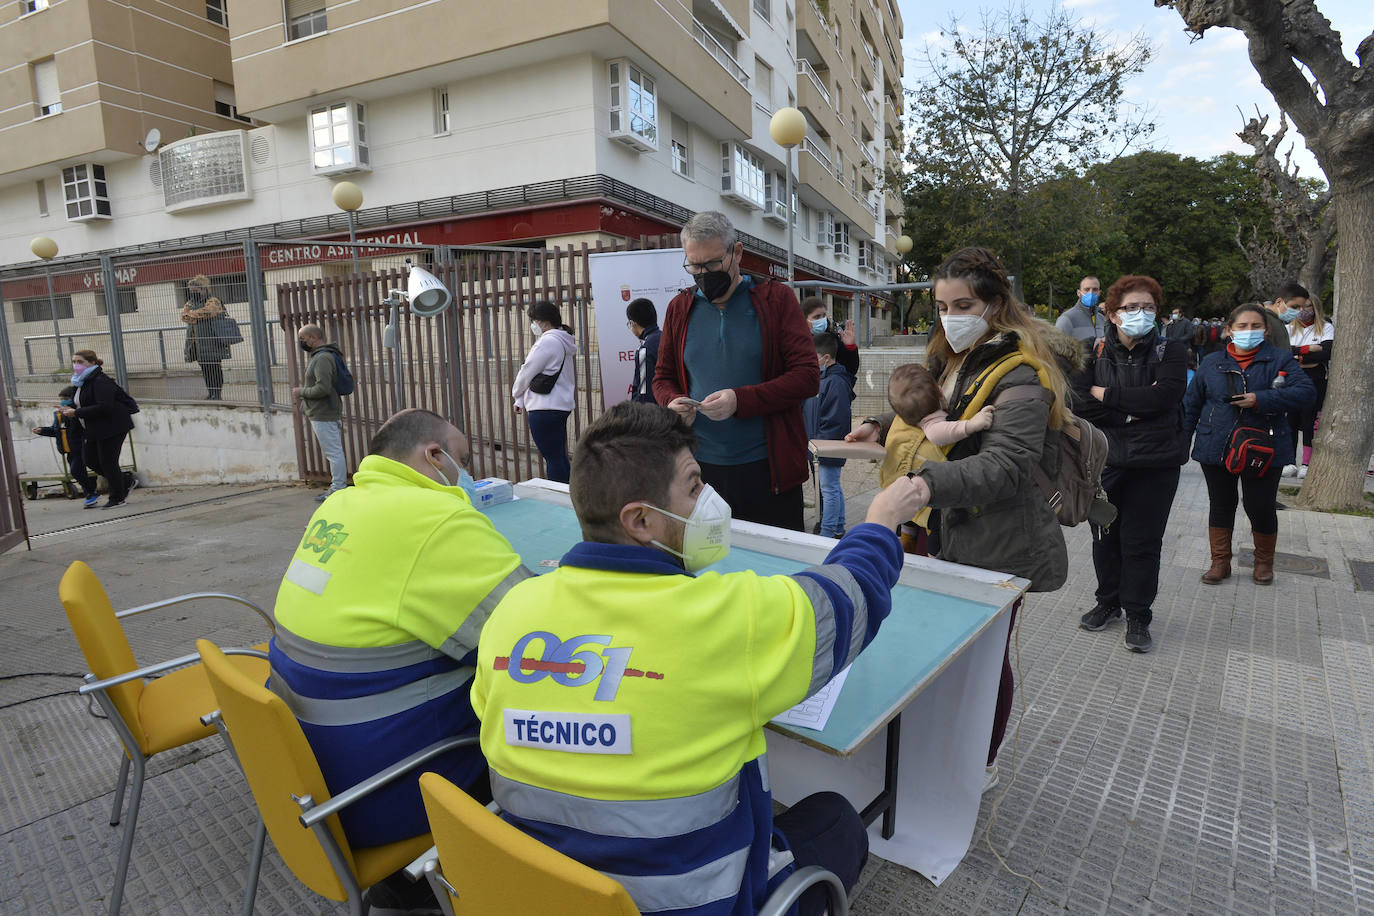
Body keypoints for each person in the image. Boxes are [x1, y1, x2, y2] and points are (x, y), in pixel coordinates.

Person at [471, 401, 928, 916]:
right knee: (836, 821)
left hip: (537, 892)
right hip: (695, 904)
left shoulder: (512, 613)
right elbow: (848, 599)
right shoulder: (728, 618)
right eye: (693, 486)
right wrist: (882, 519)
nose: (709, 500)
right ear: (640, 520)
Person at [847, 246, 1069, 789]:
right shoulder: (948, 358)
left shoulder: (1021, 375)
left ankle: (979, 763)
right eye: (942, 306)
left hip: (992, 540)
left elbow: (1009, 466)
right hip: (935, 529)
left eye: (963, 304)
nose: (951, 317)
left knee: (984, 661)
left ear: (994, 305)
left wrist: (922, 482)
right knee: (930, 645)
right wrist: (879, 425)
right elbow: (930, 412)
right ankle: (934, 745)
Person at [270, 408, 532, 857]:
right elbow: (534, 640)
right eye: (463, 461)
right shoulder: (436, 520)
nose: (466, 475)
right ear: (434, 455)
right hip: (388, 788)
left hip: (302, 772)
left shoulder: (340, 504)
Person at [653, 210, 818, 530]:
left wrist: (740, 401)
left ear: (737, 252)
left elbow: (808, 377)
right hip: (699, 471)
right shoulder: (680, 308)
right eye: (694, 266)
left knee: (774, 569)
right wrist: (671, 401)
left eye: (712, 264)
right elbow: (663, 377)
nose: (703, 274)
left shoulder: (777, 300)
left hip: (768, 471)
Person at [1072, 276, 1189, 653]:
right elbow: (1077, 402)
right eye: (1131, 307)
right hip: (1105, 462)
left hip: (1156, 464)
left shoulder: (1171, 350)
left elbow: (1167, 397)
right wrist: (1131, 410)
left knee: (1141, 543)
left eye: (1149, 307)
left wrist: (1106, 394)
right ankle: (1108, 601)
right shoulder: (1091, 349)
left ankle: (1138, 614)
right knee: (1104, 538)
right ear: (1112, 312)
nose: (1141, 314)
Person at [1184, 303, 1315, 586]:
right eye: (1242, 327)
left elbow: (1306, 393)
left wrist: (1262, 399)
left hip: (1263, 447)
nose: (1249, 332)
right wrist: (1182, 441)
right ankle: (1220, 562)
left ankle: (1264, 563)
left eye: (1255, 326)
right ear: (1229, 330)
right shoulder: (1211, 362)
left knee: (1260, 506)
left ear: (1266, 329)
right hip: (1215, 445)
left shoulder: (1280, 359)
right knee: (1221, 504)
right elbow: (1191, 405)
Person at [878, 363, 996, 552]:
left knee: (910, 512)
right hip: (930, 490)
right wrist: (971, 425)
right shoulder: (931, 419)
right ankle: (933, 556)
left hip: (907, 479)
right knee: (935, 526)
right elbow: (938, 433)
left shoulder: (911, 415)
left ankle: (907, 536)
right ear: (941, 392)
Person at [60, 350, 135, 510]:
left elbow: (104, 406)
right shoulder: (80, 382)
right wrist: (69, 408)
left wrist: (77, 412)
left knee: (108, 461)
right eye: (74, 362)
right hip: (94, 428)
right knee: (91, 459)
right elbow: (82, 402)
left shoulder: (100, 381)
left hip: (113, 426)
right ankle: (125, 481)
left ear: (92, 363)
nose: (76, 365)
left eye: (80, 362)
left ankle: (117, 497)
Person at [512, 300, 577, 484]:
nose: (533, 325)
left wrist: (516, 393)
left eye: (533, 321)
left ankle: (559, 500)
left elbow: (527, 372)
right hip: (560, 407)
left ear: (542, 321)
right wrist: (520, 400)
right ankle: (569, 496)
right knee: (559, 457)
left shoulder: (547, 342)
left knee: (553, 458)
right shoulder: (564, 340)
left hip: (543, 408)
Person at [803, 333, 856, 538]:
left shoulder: (836, 382)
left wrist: (820, 447)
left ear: (826, 358)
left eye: (813, 356)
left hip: (827, 447)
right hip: (819, 444)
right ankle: (838, 527)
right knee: (832, 487)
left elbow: (837, 420)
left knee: (829, 490)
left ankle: (827, 533)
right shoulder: (822, 379)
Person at [1278, 282, 1332, 478]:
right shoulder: (1288, 328)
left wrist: (1297, 358)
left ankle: (1306, 463)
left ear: (1315, 308)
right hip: (1291, 380)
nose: (1303, 311)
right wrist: (1308, 351)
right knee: (1290, 420)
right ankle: (1289, 461)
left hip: (1315, 380)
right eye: (1299, 307)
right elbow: (1283, 353)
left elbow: (1325, 353)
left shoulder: (1325, 328)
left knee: (1309, 421)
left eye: (1307, 306)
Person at [293, 325, 348, 502]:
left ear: (314, 337)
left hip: (324, 413)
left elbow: (322, 388)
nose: (301, 342)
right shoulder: (321, 356)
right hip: (324, 411)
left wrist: (300, 392)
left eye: (303, 338)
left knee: (334, 453)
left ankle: (338, 488)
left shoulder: (323, 358)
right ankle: (337, 487)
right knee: (334, 452)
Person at [33, 385, 99, 508]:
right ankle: (90, 494)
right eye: (61, 399)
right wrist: (42, 430)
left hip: (79, 447)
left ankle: (91, 492)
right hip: (69, 450)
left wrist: (70, 413)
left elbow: (82, 427)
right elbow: (56, 431)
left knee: (76, 470)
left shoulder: (76, 412)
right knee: (78, 472)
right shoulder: (58, 415)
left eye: (65, 398)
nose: (62, 401)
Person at [180, 274, 231, 400]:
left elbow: (210, 311)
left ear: (204, 289)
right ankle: (211, 393)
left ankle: (217, 394)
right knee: (205, 370)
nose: (193, 293)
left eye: (195, 291)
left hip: (213, 341)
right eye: (191, 291)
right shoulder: (190, 303)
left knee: (215, 368)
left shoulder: (213, 301)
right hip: (197, 343)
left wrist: (193, 315)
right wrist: (197, 315)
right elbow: (183, 316)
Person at [802, 296, 859, 376]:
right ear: (804, 319)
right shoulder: (797, 343)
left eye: (824, 315)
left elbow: (850, 371)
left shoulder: (833, 339)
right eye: (817, 317)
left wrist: (850, 347)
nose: (822, 320)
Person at [626, 297, 661, 404]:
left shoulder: (645, 350)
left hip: (654, 413)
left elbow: (644, 392)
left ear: (633, 324)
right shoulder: (667, 338)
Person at [1055, 275, 1105, 343]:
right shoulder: (1067, 318)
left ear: (1099, 293)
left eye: (1095, 290)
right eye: (1087, 289)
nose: (1091, 293)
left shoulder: (1102, 319)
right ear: (1079, 293)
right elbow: (1056, 347)